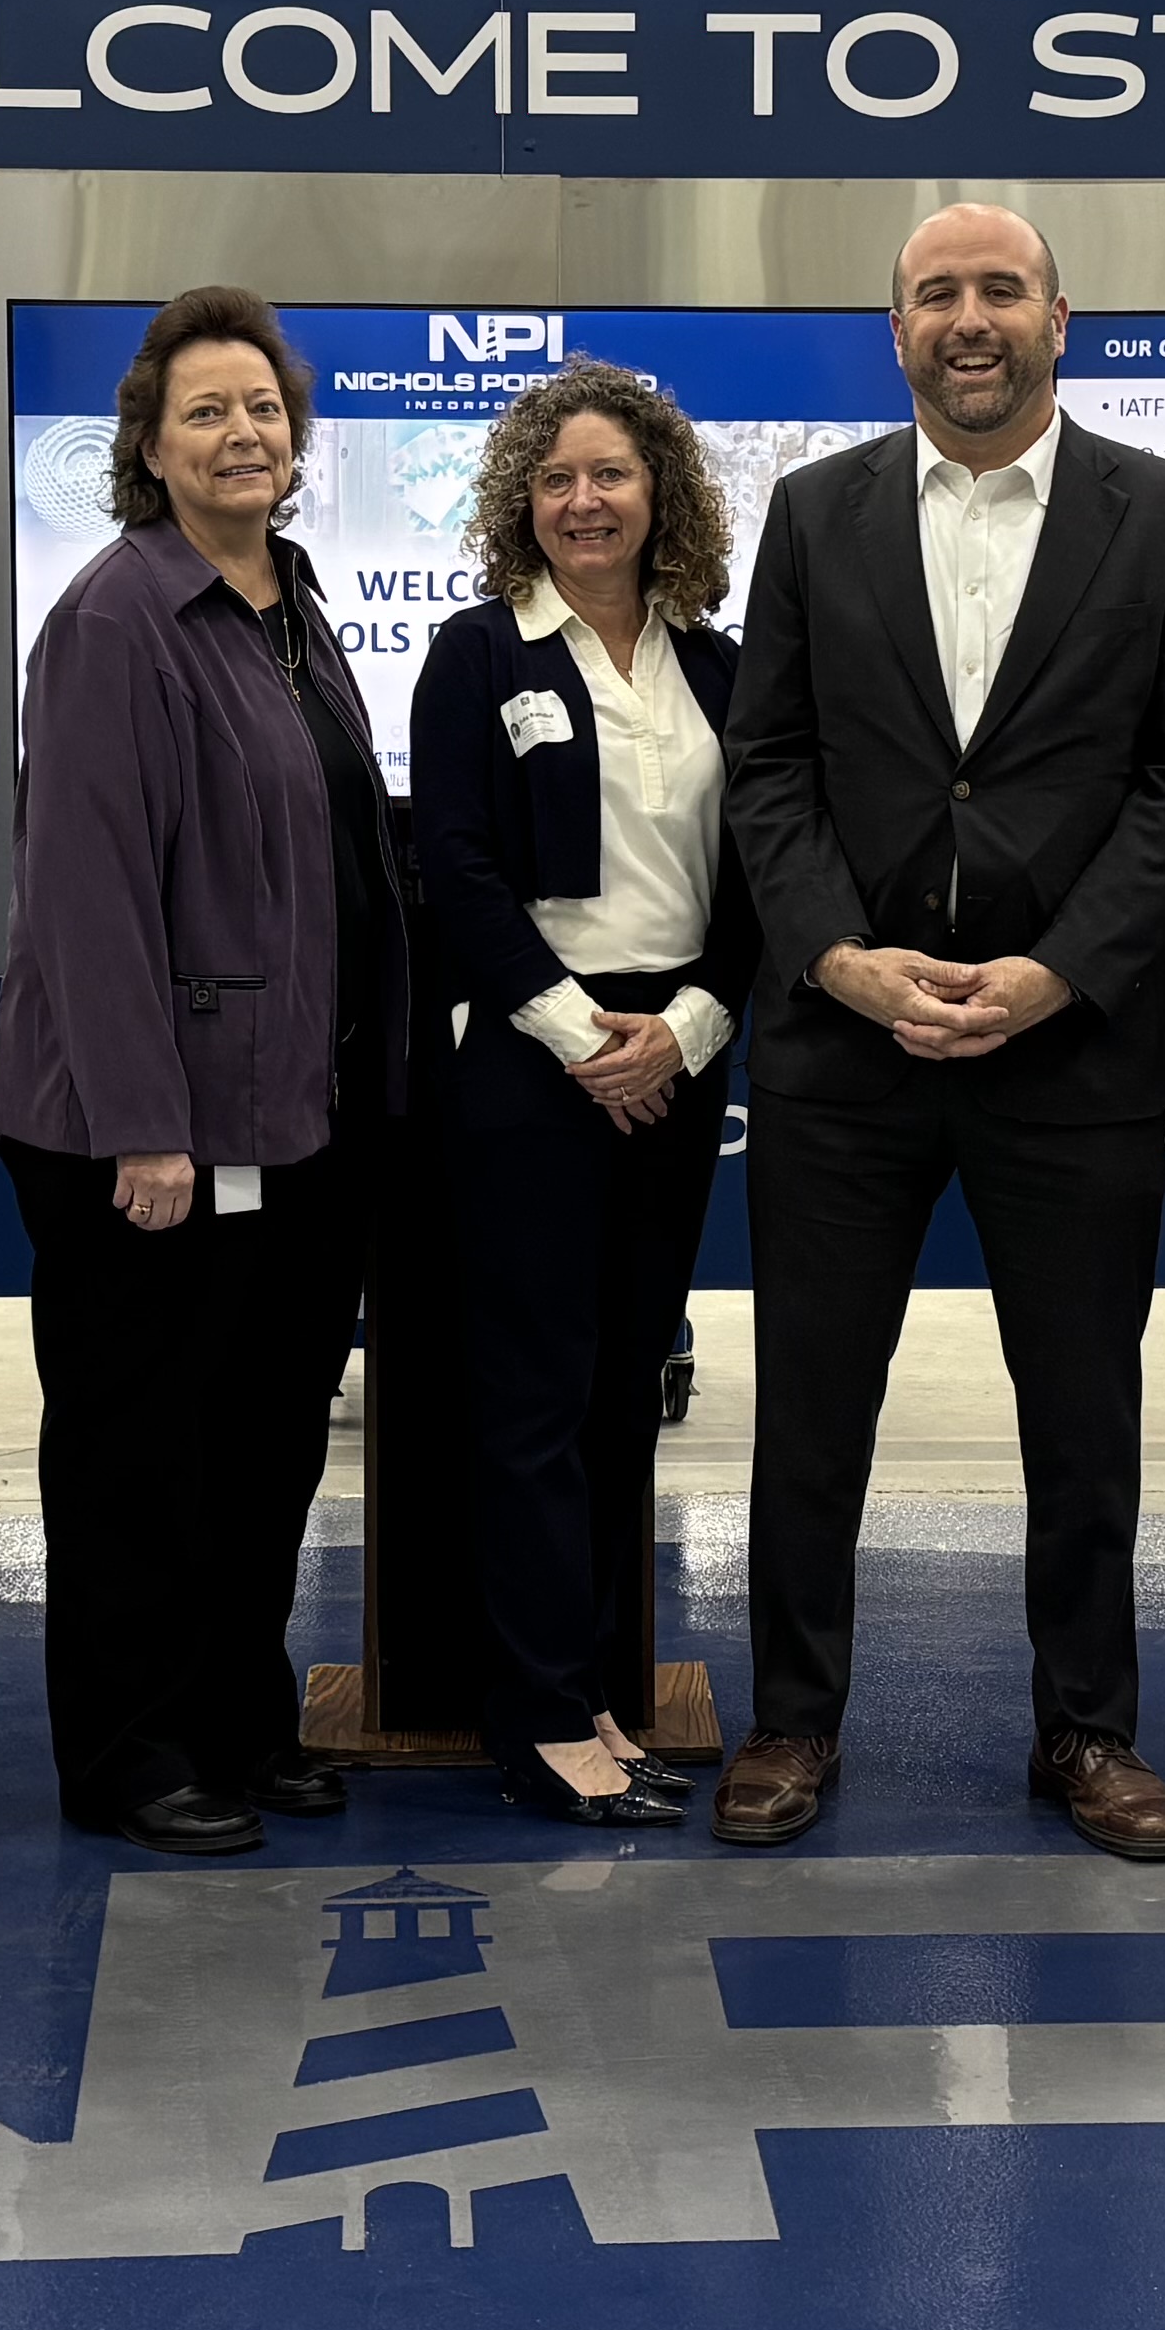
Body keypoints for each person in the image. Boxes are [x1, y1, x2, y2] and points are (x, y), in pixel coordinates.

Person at [721, 202, 1165, 1859]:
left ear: (1056, 319)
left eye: (999, 289)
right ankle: (791, 1720)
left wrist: (1058, 971)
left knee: (1082, 1417)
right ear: (894, 331)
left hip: (1071, 1049)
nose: (969, 317)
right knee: (812, 1412)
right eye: (936, 292)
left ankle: (1088, 1729)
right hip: (842, 1050)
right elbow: (768, 764)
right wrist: (836, 957)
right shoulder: (814, 512)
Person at [0, 288, 408, 1855]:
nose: (244, 434)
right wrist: (142, 1128)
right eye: (207, 412)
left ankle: (237, 1718)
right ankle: (132, 1755)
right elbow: (85, 897)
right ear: (150, 449)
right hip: (153, 1136)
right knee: (139, 1451)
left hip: (296, 1119)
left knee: (265, 1440)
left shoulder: (291, 608)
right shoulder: (116, 620)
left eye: (264, 409)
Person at [407, 365, 759, 1829]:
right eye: (555, 480)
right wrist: (578, 1039)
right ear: (522, 504)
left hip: (678, 1054)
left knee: (625, 1394)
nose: (584, 501)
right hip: (527, 1060)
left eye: (611, 474)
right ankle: (540, 1714)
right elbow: (455, 867)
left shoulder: (720, 669)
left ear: (660, 492)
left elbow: (760, 879)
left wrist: (682, 1031)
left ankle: (599, 1688)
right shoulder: (477, 654)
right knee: (535, 1400)